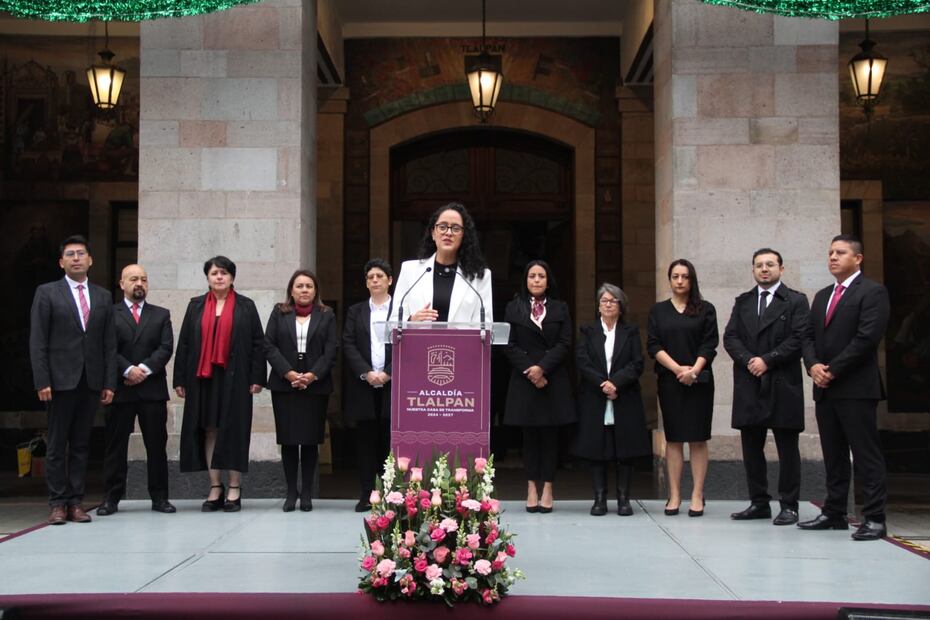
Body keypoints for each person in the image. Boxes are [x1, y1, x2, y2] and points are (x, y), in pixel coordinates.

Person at [799, 235, 890, 541]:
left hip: (856, 388)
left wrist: (832, 370)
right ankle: (834, 513)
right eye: (830, 253)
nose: (833, 257)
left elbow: (866, 339)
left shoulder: (873, 292)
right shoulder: (823, 295)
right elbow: (808, 336)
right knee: (833, 454)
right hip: (825, 388)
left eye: (840, 252)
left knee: (865, 455)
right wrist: (812, 366)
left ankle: (875, 518)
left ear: (858, 258)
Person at [29, 235, 117, 525]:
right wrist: (42, 380)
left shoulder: (103, 296)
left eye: (81, 253)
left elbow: (108, 344)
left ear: (90, 260)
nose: (76, 258)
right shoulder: (47, 292)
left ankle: (76, 502)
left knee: (81, 444)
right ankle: (57, 503)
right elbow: (38, 340)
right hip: (58, 381)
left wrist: (109, 382)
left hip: (90, 381)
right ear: (61, 262)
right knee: (56, 445)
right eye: (70, 254)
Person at [723, 249, 809, 526]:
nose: (764, 269)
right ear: (752, 270)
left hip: (782, 381)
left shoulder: (796, 300)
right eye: (759, 265)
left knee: (786, 447)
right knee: (751, 446)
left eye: (770, 264)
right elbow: (731, 336)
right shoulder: (744, 301)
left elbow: (799, 338)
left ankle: (789, 505)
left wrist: (767, 361)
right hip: (750, 382)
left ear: (781, 269)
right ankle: (759, 502)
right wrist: (750, 361)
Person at [173, 256, 265, 512]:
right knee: (209, 428)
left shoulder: (246, 306)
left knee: (234, 429)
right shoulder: (196, 306)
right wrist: (179, 378)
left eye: (224, 273)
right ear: (208, 278)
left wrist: (258, 378)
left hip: (236, 377)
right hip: (203, 377)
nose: (219, 277)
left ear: (232, 277)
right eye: (214, 273)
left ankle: (234, 487)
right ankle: (215, 486)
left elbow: (258, 344)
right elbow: (185, 344)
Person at [98, 264, 176, 517]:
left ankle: (160, 497)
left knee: (156, 446)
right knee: (115, 447)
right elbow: (107, 348)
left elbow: (165, 348)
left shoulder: (161, 314)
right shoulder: (109, 314)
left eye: (143, 279)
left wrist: (142, 369)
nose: (139, 283)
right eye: (133, 279)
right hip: (120, 390)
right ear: (122, 284)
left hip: (152, 390)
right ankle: (111, 498)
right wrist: (127, 370)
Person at [502, 260, 575, 513]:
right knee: (530, 437)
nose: (536, 280)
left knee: (550, 437)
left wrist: (542, 368)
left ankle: (548, 488)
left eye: (541, 276)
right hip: (525, 380)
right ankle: (532, 486)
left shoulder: (560, 308)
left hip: (552, 378)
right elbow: (508, 344)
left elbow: (565, 343)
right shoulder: (514, 307)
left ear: (548, 280)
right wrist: (531, 371)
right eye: (531, 276)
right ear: (525, 280)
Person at [647, 259, 718, 517]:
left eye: (684, 277)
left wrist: (694, 371)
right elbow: (653, 345)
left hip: (699, 381)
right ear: (669, 279)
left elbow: (710, 344)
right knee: (674, 439)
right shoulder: (658, 311)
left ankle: (697, 494)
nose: (679, 281)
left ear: (692, 280)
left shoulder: (705, 309)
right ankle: (675, 494)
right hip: (670, 381)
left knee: (698, 438)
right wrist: (678, 370)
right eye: (675, 276)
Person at [574, 283, 651, 516]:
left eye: (613, 301)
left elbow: (637, 363)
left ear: (621, 306)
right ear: (598, 306)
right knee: (598, 449)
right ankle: (599, 498)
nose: (608, 304)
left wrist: (616, 383)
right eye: (604, 301)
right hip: (595, 397)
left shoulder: (630, 331)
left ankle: (623, 498)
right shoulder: (588, 330)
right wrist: (603, 384)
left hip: (624, 396)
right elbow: (582, 360)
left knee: (624, 450)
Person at [265, 270, 337, 512]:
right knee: (288, 440)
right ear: (291, 290)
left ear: (315, 290)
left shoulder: (326, 315)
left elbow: (331, 350)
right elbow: (269, 345)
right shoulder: (279, 312)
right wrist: (288, 373)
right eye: (299, 286)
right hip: (284, 385)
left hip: (315, 385)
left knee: (309, 441)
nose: (304, 290)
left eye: (309, 286)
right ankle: (290, 493)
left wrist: (313, 375)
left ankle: (306, 492)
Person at [343, 259, 394, 512]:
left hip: (392, 386)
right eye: (370, 277)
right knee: (364, 442)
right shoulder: (356, 311)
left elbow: (410, 346)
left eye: (379, 276)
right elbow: (348, 344)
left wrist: (388, 373)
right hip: (363, 386)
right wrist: (366, 372)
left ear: (390, 280)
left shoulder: (401, 310)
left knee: (389, 442)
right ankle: (366, 494)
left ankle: (391, 495)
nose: (375, 280)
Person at [389, 202, 492, 324]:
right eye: (442, 227)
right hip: (419, 343)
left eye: (455, 228)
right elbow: (393, 322)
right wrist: (411, 320)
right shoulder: (410, 270)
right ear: (433, 233)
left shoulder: (480, 276)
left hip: (460, 343)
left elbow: (485, 327)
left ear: (464, 236)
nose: (448, 233)